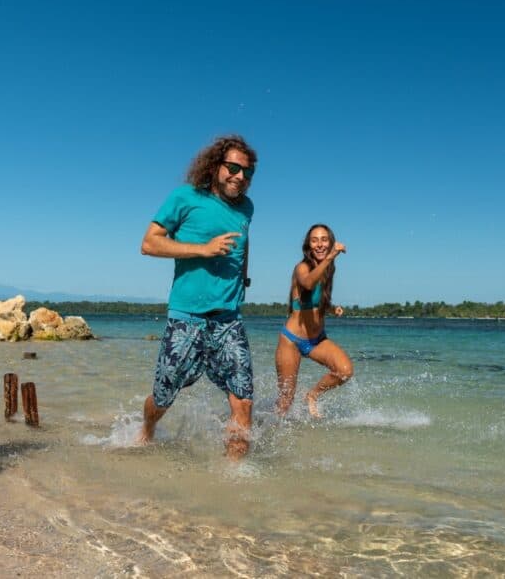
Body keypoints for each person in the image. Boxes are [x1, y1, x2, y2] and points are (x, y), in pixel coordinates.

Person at [136, 134, 258, 460]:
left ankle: (235, 478)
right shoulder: (185, 197)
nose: (240, 176)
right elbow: (149, 244)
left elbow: (242, 245)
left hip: (229, 319)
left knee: (243, 401)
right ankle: (146, 430)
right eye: (233, 168)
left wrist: (242, 277)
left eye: (247, 172)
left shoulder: (246, 208)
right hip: (186, 318)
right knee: (162, 399)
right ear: (215, 165)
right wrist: (203, 250)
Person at [275, 224, 354, 418]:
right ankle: (270, 432)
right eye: (314, 240)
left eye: (324, 239)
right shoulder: (302, 268)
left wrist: (331, 307)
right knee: (286, 400)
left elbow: (317, 298)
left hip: (317, 339)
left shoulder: (328, 269)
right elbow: (308, 283)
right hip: (292, 341)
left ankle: (312, 395)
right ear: (308, 245)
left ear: (331, 242)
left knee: (344, 371)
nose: (319, 244)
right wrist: (330, 257)